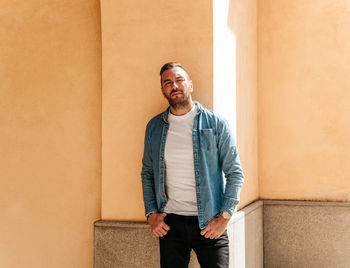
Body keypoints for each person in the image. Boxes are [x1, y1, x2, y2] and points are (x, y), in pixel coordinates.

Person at [141, 62, 244, 268]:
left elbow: (235, 173)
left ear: (190, 85)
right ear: (163, 91)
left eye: (179, 80)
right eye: (168, 82)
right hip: (171, 224)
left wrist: (224, 217)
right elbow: (148, 172)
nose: (174, 86)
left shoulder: (215, 123)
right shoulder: (154, 127)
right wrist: (151, 213)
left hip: (209, 221)